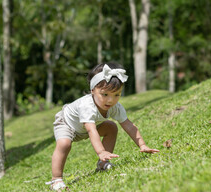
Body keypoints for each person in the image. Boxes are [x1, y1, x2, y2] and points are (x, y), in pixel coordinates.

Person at [46, 62, 159, 191]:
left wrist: (142, 145)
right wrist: (101, 151)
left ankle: (103, 163)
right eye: (105, 94)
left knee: (111, 127)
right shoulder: (87, 106)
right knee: (64, 144)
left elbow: (128, 125)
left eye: (116, 94)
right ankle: (56, 180)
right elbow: (90, 129)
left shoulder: (115, 107)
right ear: (92, 90)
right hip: (67, 124)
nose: (110, 100)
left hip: (86, 127)